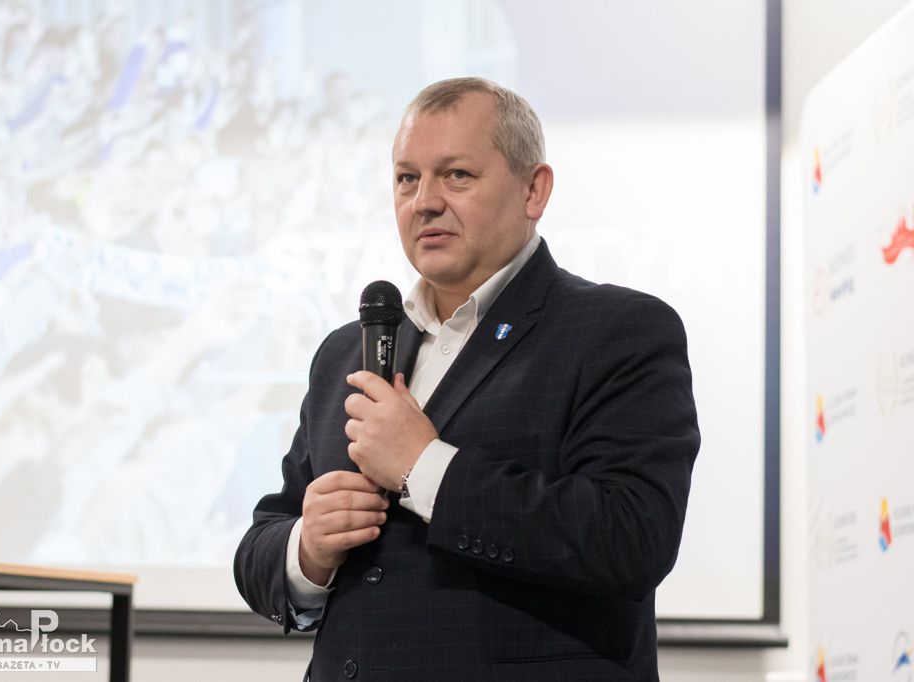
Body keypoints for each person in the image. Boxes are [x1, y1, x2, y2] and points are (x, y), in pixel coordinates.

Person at [234, 77, 700, 681]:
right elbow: (263, 541)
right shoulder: (343, 353)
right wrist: (307, 548)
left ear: (534, 190)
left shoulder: (618, 331)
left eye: (456, 175)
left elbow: (630, 538)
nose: (424, 201)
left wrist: (425, 468)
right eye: (407, 178)